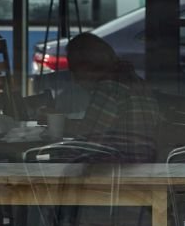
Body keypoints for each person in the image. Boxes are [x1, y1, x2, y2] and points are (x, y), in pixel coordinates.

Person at [57, 31, 159, 160]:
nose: (75, 79)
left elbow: (86, 143)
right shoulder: (135, 80)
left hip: (120, 168)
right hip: (141, 164)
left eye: (73, 69)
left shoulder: (110, 87)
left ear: (86, 66)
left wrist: (53, 154)